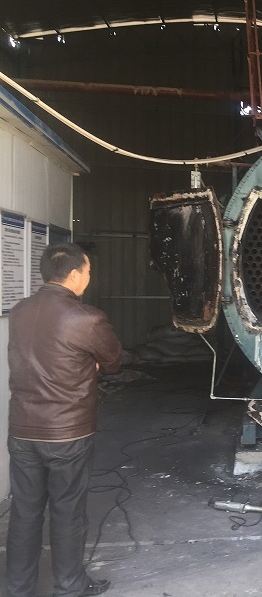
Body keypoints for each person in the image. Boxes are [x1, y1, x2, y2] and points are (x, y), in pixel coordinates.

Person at [6, 243, 123, 597]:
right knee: (67, 511)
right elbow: (113, 361)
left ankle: (18, 589)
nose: (89, 278)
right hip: (66, 433)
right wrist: (92, 363)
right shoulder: (86, 318)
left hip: (22, 430)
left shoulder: (19, 311)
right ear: (73, 275)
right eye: (87, 272)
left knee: (24, 512)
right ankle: (70, 587)